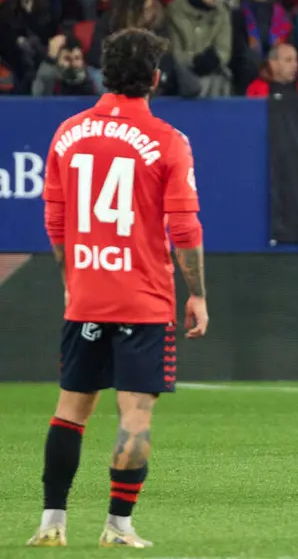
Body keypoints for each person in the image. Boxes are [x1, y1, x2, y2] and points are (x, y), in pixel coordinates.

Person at [28, 28, 209, 549]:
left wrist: (72, 282)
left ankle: (51, 522)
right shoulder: (168, 140)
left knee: (70, 409)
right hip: (145, 299)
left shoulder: (67, 133)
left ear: (103, 73)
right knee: (135, 414)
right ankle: (118, 526)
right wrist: (196, 293)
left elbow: (55, 223)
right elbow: (186, 229)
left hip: (84, 294)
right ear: (155, 77)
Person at [31, 35, 97, 96]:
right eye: (67, 59)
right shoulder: (50, 79)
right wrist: (50, 59)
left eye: (77, 58)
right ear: (58, 62)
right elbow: (37, 97)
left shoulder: (94, 79)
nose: (73, 64)